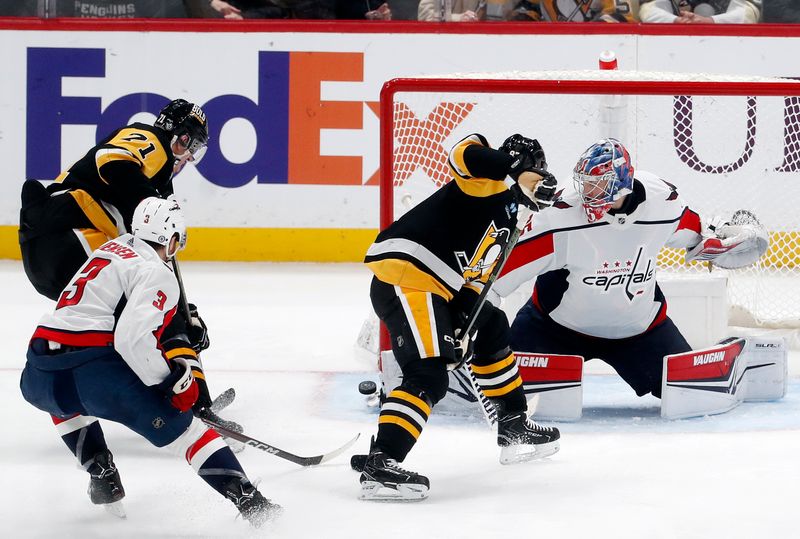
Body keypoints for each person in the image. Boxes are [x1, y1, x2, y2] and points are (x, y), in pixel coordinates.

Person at [19, 197, 280, 526]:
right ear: (172, 240)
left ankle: (100, 470)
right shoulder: (157, 272)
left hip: (38, 368)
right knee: (191, 435)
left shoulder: (109, 250)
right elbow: (132, 338)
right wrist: (171, 381)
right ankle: (255, 506)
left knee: (63, 401)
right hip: (93, 372)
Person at [358, 133, 561, 502]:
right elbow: (465, 152)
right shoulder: (485, 180)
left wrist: (463, 321)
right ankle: (381, 461)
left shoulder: (509, 213)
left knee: (492, 326)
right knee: (428, 375)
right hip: (408, 281)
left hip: (438, 290)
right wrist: (515, 169)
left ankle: (513, 424)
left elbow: (478, 276)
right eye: (534, 173)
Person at [493, 138, 766, 399]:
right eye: (587, 184)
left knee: (692, 393)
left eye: (600, 185)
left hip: (640, 332)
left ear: (623, 183)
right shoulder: (559, 214)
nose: (589, 193)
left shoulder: (663, 204)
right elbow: (500, 274)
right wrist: (465, 312)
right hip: (552, 329)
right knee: (495, 388)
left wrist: (719, 242)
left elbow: (695, 234)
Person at [19, 98, 218, 415]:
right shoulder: (151, 140)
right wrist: (176, 313)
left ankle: (121, 390)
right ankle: (193, 403)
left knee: (130, 314)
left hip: (56, 253)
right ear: (169, 129)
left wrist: (184, 310)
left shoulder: (158, 184)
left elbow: (156, 262)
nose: (188, 154)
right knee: (157, 310)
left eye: (196, 148)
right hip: (65, 233)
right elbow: (110, 160)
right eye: (186, 141)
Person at [638, 0, 760, 23]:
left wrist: (710, 21)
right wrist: (677, 20)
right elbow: (648, 11)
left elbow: (748, 14)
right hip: (674, 48)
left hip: (728, 48)